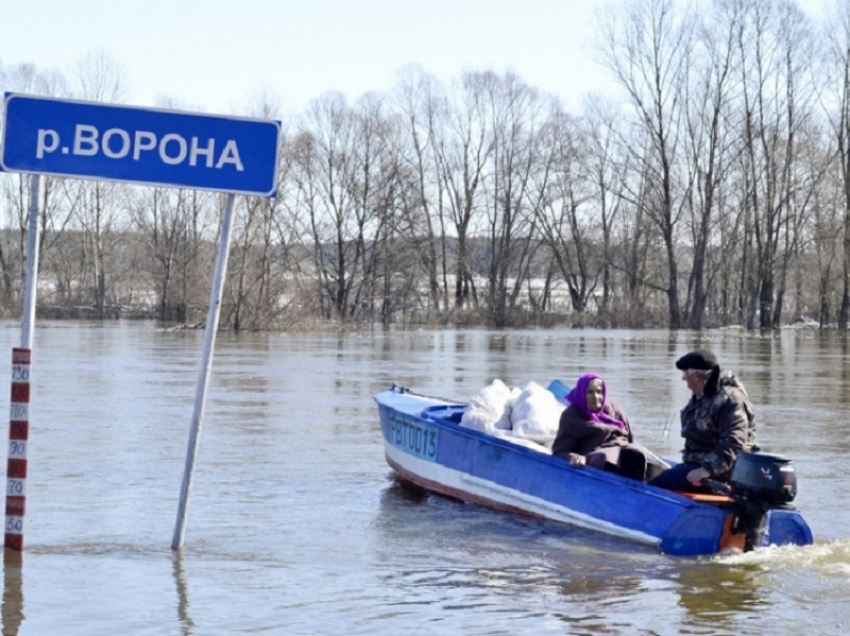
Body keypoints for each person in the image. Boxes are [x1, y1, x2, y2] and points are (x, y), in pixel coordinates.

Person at [648, 349, 756, 493]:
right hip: (697, 464)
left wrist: (707, 470)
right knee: (651, 472)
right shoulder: (702, 397)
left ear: (697, 376)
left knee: (659, 483)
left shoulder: (730, 401)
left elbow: (734, 442)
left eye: (685, 374)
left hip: (722, 474)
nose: (683, 379)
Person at [552, 373, 647, 481]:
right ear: (582, 393)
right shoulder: (571, 416)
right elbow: (559, 451)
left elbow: (629, 438)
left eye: (599, 392)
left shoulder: (616, 411)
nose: (595, 397)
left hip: (621, 449)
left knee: (634, 453)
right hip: (594, 454)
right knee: (606, 457)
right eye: (590, 392)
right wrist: (574, 457)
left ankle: (636, 486)